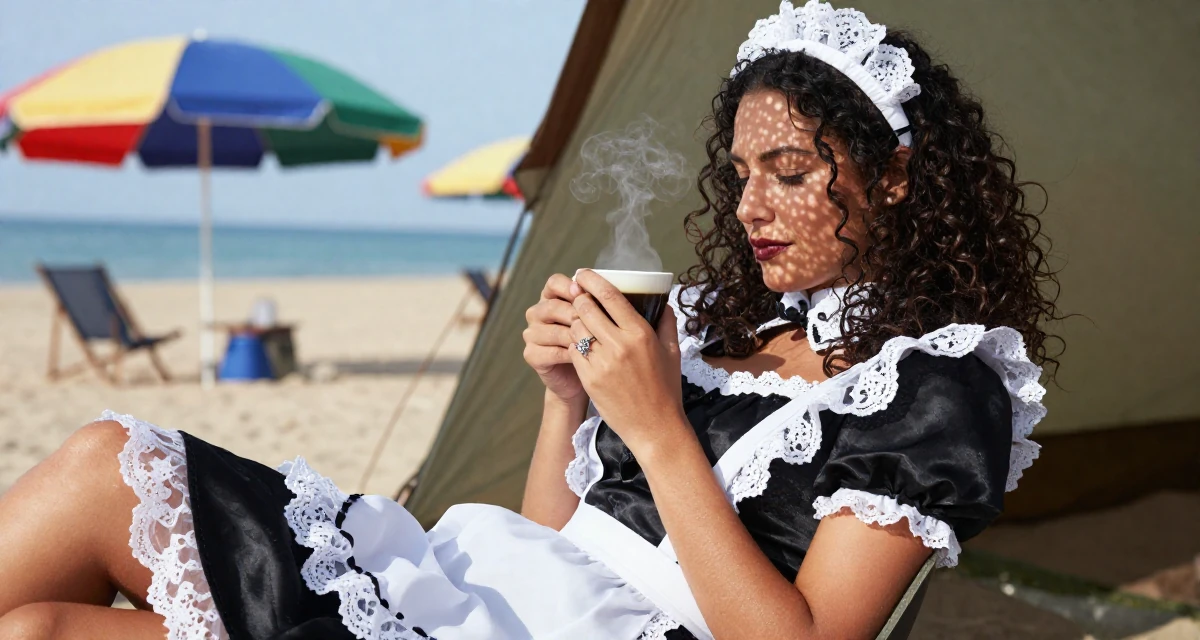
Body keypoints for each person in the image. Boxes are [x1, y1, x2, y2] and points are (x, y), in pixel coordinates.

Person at [0, 2, 1060, 639]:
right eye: (739, 174)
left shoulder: (941, 384)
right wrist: (570, 405)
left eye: (788, 172)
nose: (747, 209)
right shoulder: (718, 321)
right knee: (62, 574)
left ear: (897, 177)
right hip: (493, 591)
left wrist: (653, 429)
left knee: (87, 514)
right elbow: (557, 537)